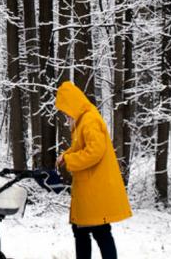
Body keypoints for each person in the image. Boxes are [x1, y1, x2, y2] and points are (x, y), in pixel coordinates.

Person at [55, 80, 132, 259]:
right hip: (89, 189)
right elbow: (81, 147)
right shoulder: (83, 120)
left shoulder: (89, 120)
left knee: (100, 231)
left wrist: (69, 159)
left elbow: (94, 152)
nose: (65, 114)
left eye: (65, 110)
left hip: (95, 189)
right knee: (82, 230)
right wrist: (65, 155)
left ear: (71, 104)